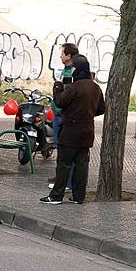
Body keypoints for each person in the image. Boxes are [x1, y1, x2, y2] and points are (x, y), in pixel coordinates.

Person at [40, 56, 105, 205]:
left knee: (64, 163)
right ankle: (78, 196)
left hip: (70, 131)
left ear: (77, 69)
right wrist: (87, 113)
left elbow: (60, 102)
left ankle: (56, 195)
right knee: (81, 164)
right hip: (87, 130)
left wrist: (58, 87)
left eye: (73, 68)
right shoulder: (95, 87)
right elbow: (102, 108)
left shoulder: (75, 87)